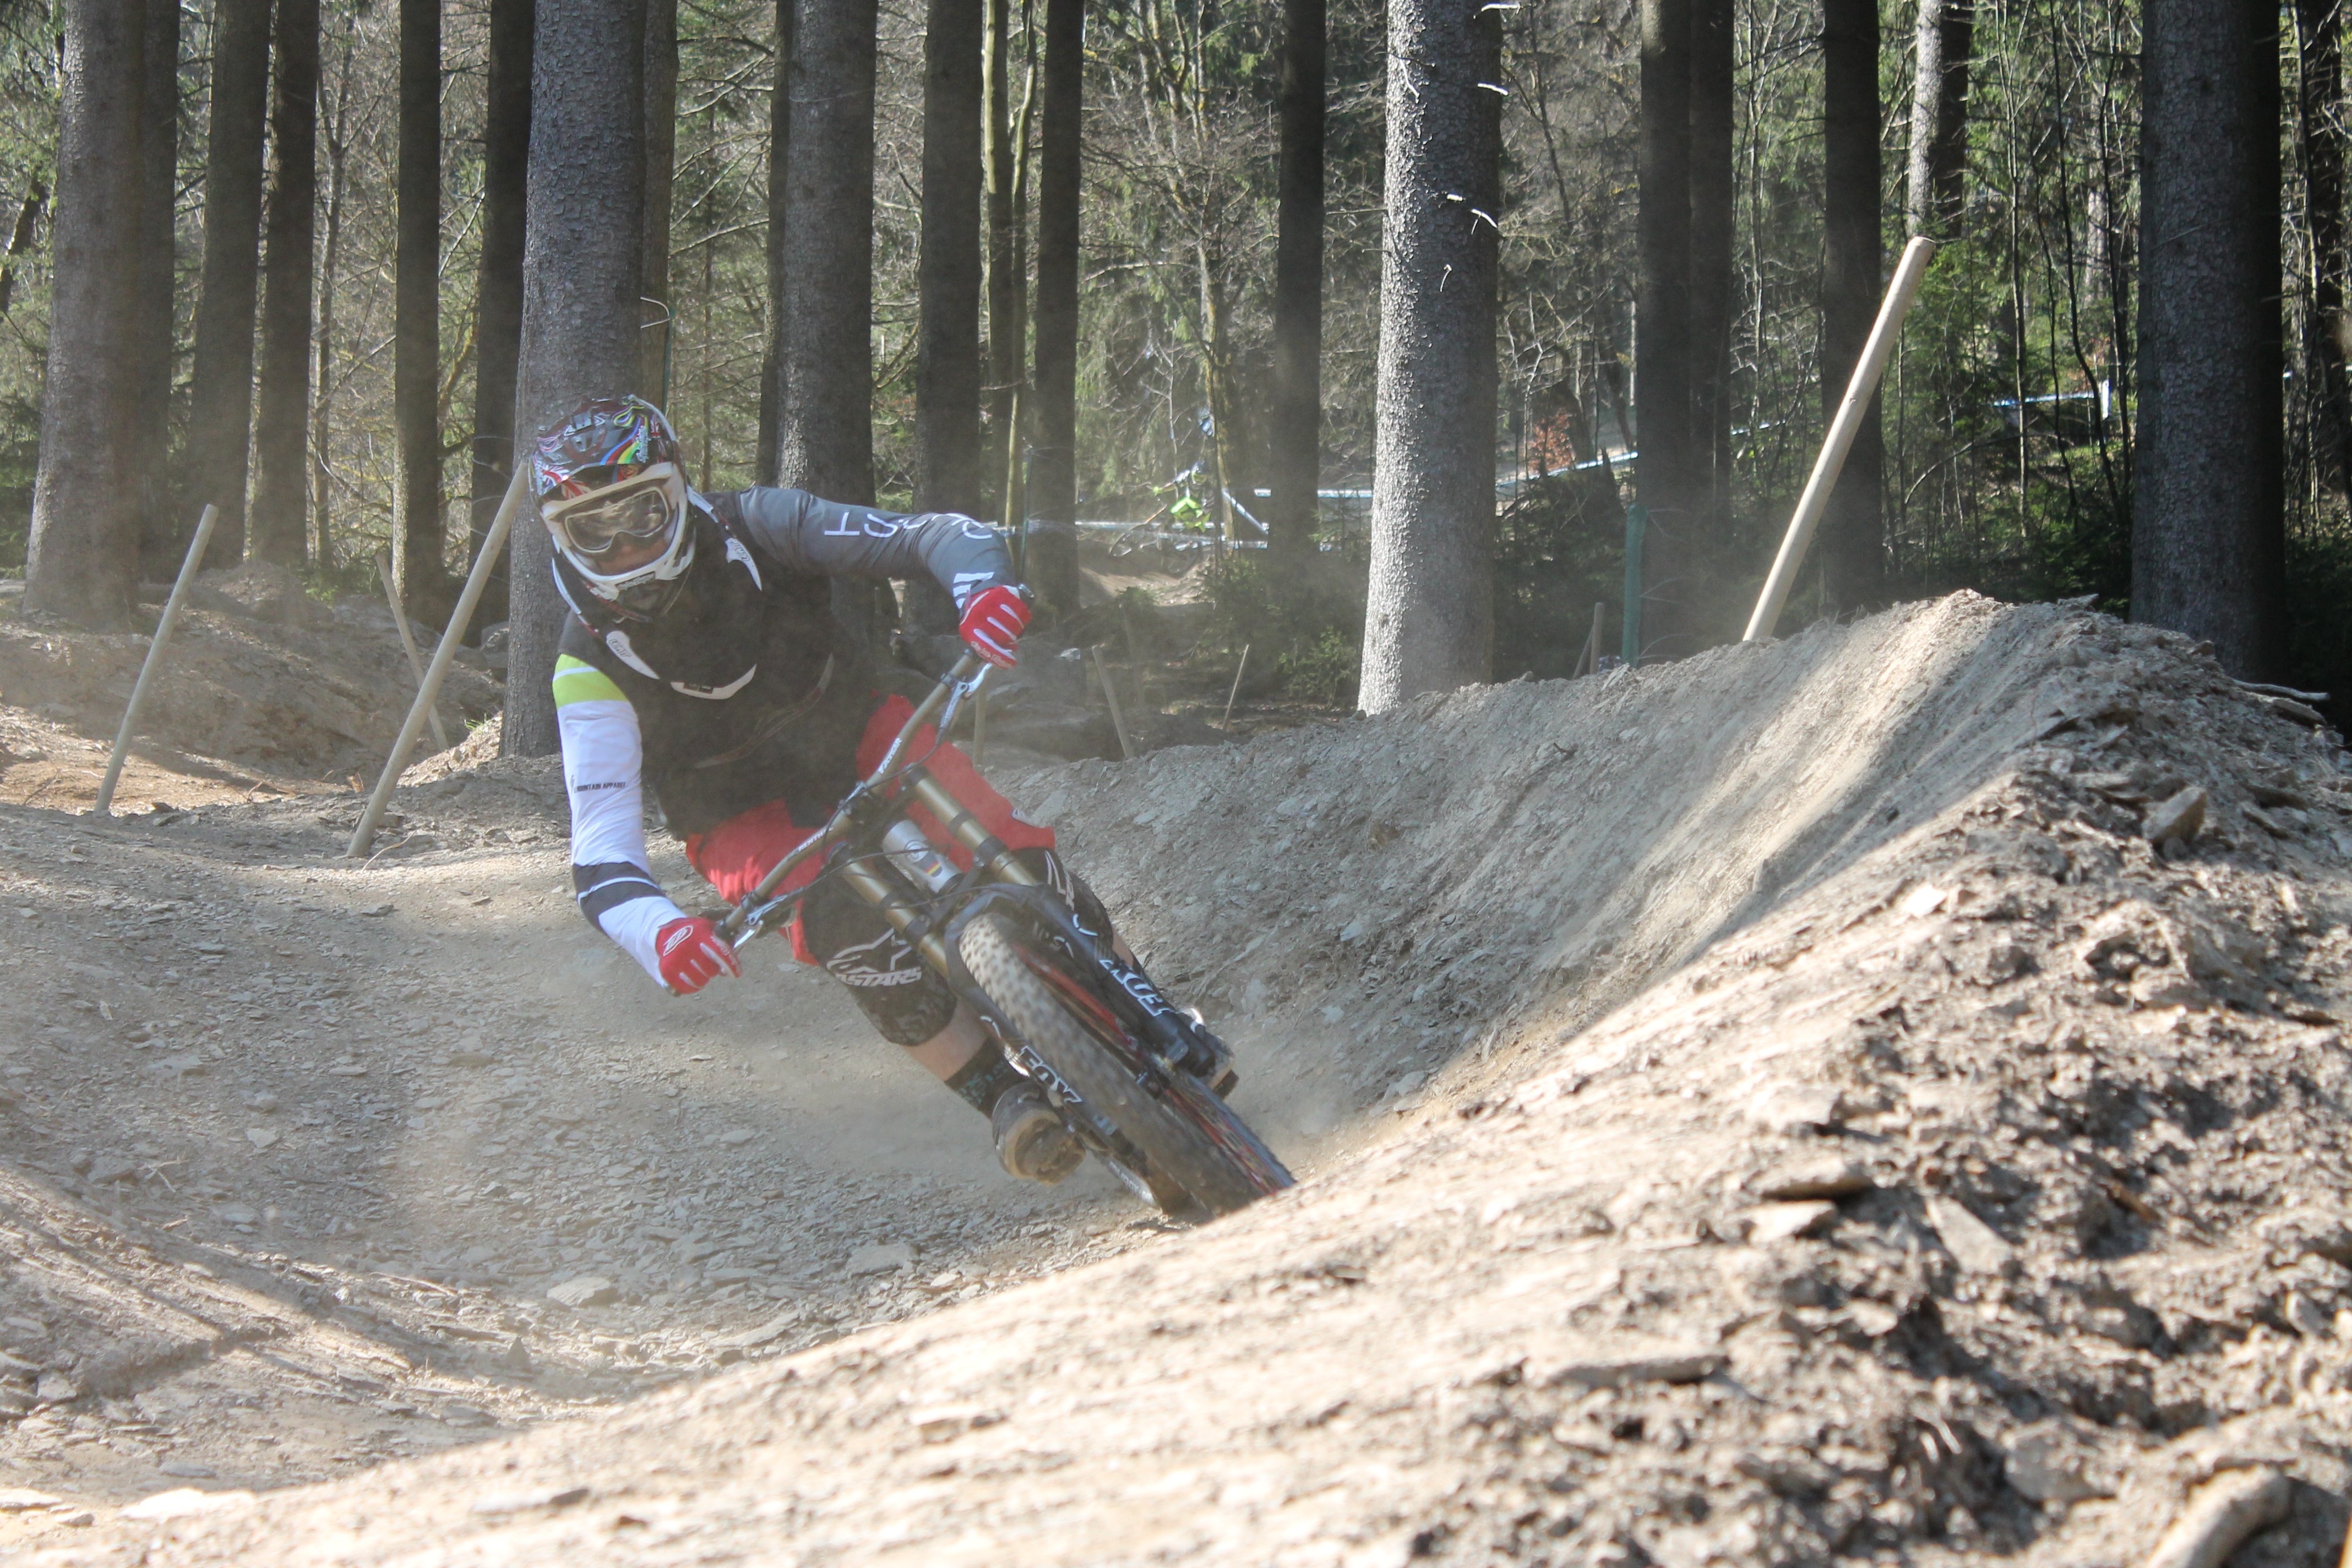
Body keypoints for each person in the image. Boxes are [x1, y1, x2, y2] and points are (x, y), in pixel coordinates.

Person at [542, 394, 1087, 1183]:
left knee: (1011, 852)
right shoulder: (584, 667)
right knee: (842, 925)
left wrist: (982, 590)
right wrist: (660, 933)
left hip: (853, 723)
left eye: (643, 512)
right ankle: (1002, 1097)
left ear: (679, 489)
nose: (624, 544)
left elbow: (935, 534)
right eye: (592, 529)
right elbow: (600, 855)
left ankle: (1143, 998)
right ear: (561, 536)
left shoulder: (758, 525)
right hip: (733, 808)